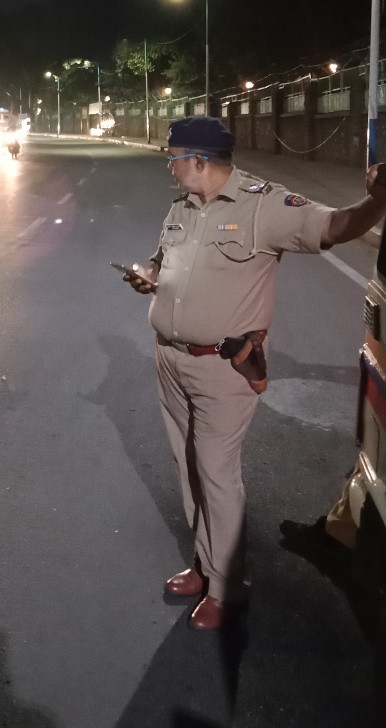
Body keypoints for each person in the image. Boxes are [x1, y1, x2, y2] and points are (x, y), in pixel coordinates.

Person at [122, 115, 386, 630]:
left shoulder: (264, 205)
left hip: (223, 366)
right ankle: (205, 565)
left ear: (199, 161)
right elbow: (162, 259)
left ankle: (227, 587)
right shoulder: (181, 208)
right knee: (187, 465)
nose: (170, 168)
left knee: (216, 473)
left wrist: (378, 201)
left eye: (174, 159)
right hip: (170, 358)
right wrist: (148, 274)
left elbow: (335, 227)